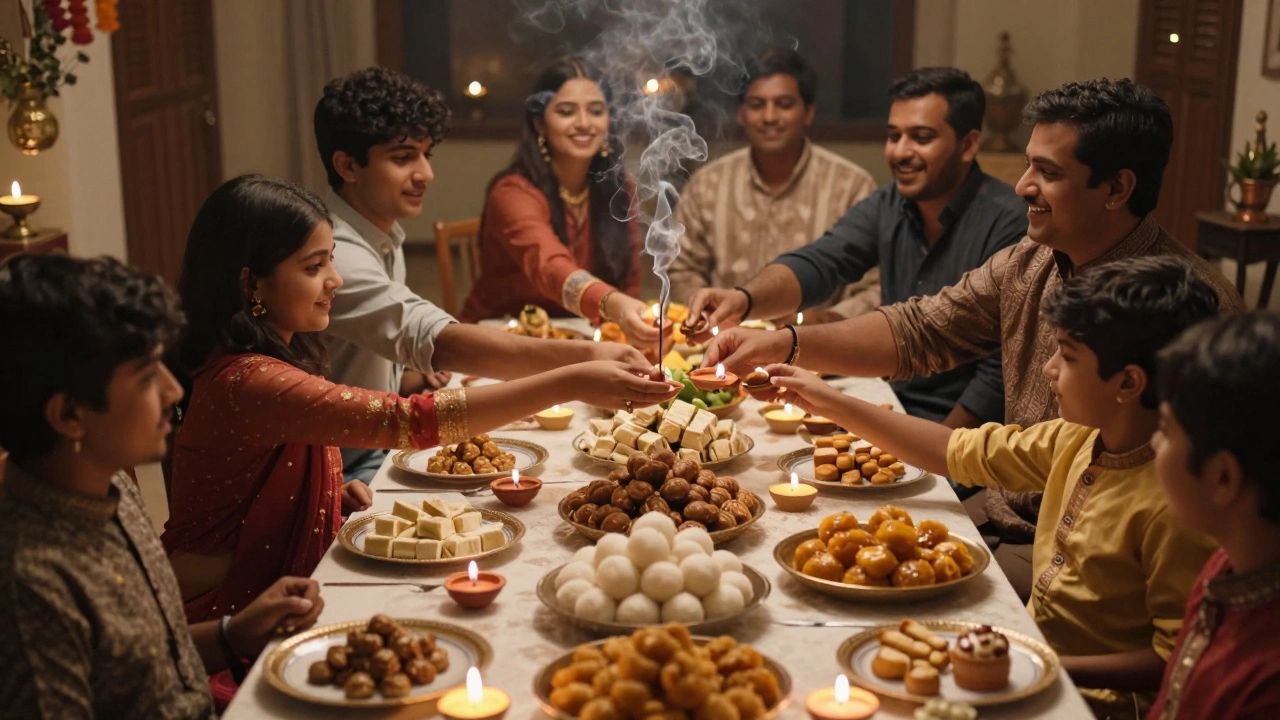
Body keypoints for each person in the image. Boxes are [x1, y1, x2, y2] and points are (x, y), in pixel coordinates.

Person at [163, 175, 679, 628]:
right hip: (229, 611)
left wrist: (318, 498)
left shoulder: (270, 351)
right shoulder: (250, 380)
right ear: (253, 282)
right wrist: (571, 379)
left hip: (273, 579)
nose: (334, 281)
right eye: (314, 266)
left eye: (331, 263)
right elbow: (410, 421)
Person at [765, 257, 1220, 719]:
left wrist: (1045, 664)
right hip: (1025, 662)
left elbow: (1177, 656)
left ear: (1127, 382)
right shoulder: (1078, 437)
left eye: (1067, 355)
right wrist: (824, 398)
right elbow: (953, 451)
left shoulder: (1173, 507)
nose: (1048, 369)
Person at [699, 78, 1242, 430]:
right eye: (1028, 165)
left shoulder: (1194, 308)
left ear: (1117, 189)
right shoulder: (1029, 259)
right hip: (1005, 506)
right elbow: (920, 330)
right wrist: (779, 342)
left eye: (1047, 173)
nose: (1024, 186)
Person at [0, 254, 325, 718]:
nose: (174, 391)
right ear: (69, 415)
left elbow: (139, 658)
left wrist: (232, 634)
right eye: (148, 376)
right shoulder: (30, 587)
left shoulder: (106, 482)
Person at [313, 67, 655, 484]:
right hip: (344, 466)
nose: (426, 174)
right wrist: (582, 363)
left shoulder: (380, 232)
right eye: (404, 158)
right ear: (348, 166)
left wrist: (407, 375)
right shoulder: (335, 255)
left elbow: (352, 356)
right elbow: (437, 335)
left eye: (426, 154)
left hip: (382, 435)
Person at [686, 66, 1027, 429]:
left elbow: (999, 373)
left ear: (968, 144)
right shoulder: (889, 204)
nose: (900, 152)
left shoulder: (1008, 222)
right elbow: (822, 261)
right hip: (890, 400)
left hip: (966, 430)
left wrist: (939, 454)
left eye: (921, 137)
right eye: (894, 136)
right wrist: (744, 299)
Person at [460, 58, 662, 351]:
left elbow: (628, 278)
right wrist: (613, 303)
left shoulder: (618, 188)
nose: (583, 124)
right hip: (500, 344)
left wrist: (631, 327)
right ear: (539, 123)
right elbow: (550, 266)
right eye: (566, 112)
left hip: (581, 346)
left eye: (596, 111)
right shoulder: (512, 192)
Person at [669, 47, 881, 323]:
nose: (769, 117)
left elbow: (875, 285)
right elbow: (683, 268)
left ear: (808, 112)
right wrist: (709, 311)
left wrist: (827, 319)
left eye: (784, 104)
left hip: (817, 349)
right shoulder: (708, 184)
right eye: (757, 105)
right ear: (741, 113)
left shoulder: (851, 185)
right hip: (723, 347)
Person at [1147, 312, 1280, 720]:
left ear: (1222, 476)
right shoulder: (1226, 565)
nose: (1153, 443)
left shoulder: (1267, 683)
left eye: (1166, 430)